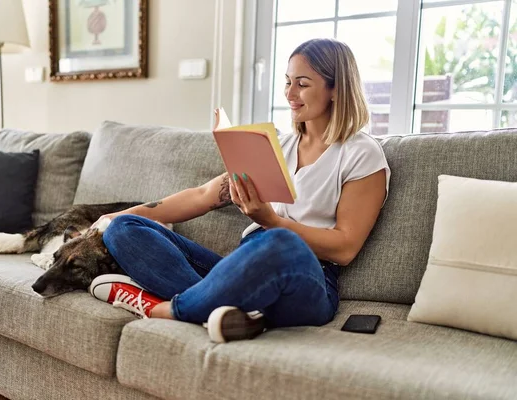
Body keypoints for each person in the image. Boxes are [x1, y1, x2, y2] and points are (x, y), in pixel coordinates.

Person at [89, 38, 390, 343]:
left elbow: (345, 248)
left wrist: (272, 221)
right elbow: (201, 196)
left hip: (308, 277)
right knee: (123, 229)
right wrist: (111, 218)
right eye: (287, 82)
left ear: (336, 88)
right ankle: (231, 311)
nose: (289, 94)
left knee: (280, 241)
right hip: (242, 266)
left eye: (302, 84)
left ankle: (167, 309)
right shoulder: (276, 146)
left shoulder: (361, 153)